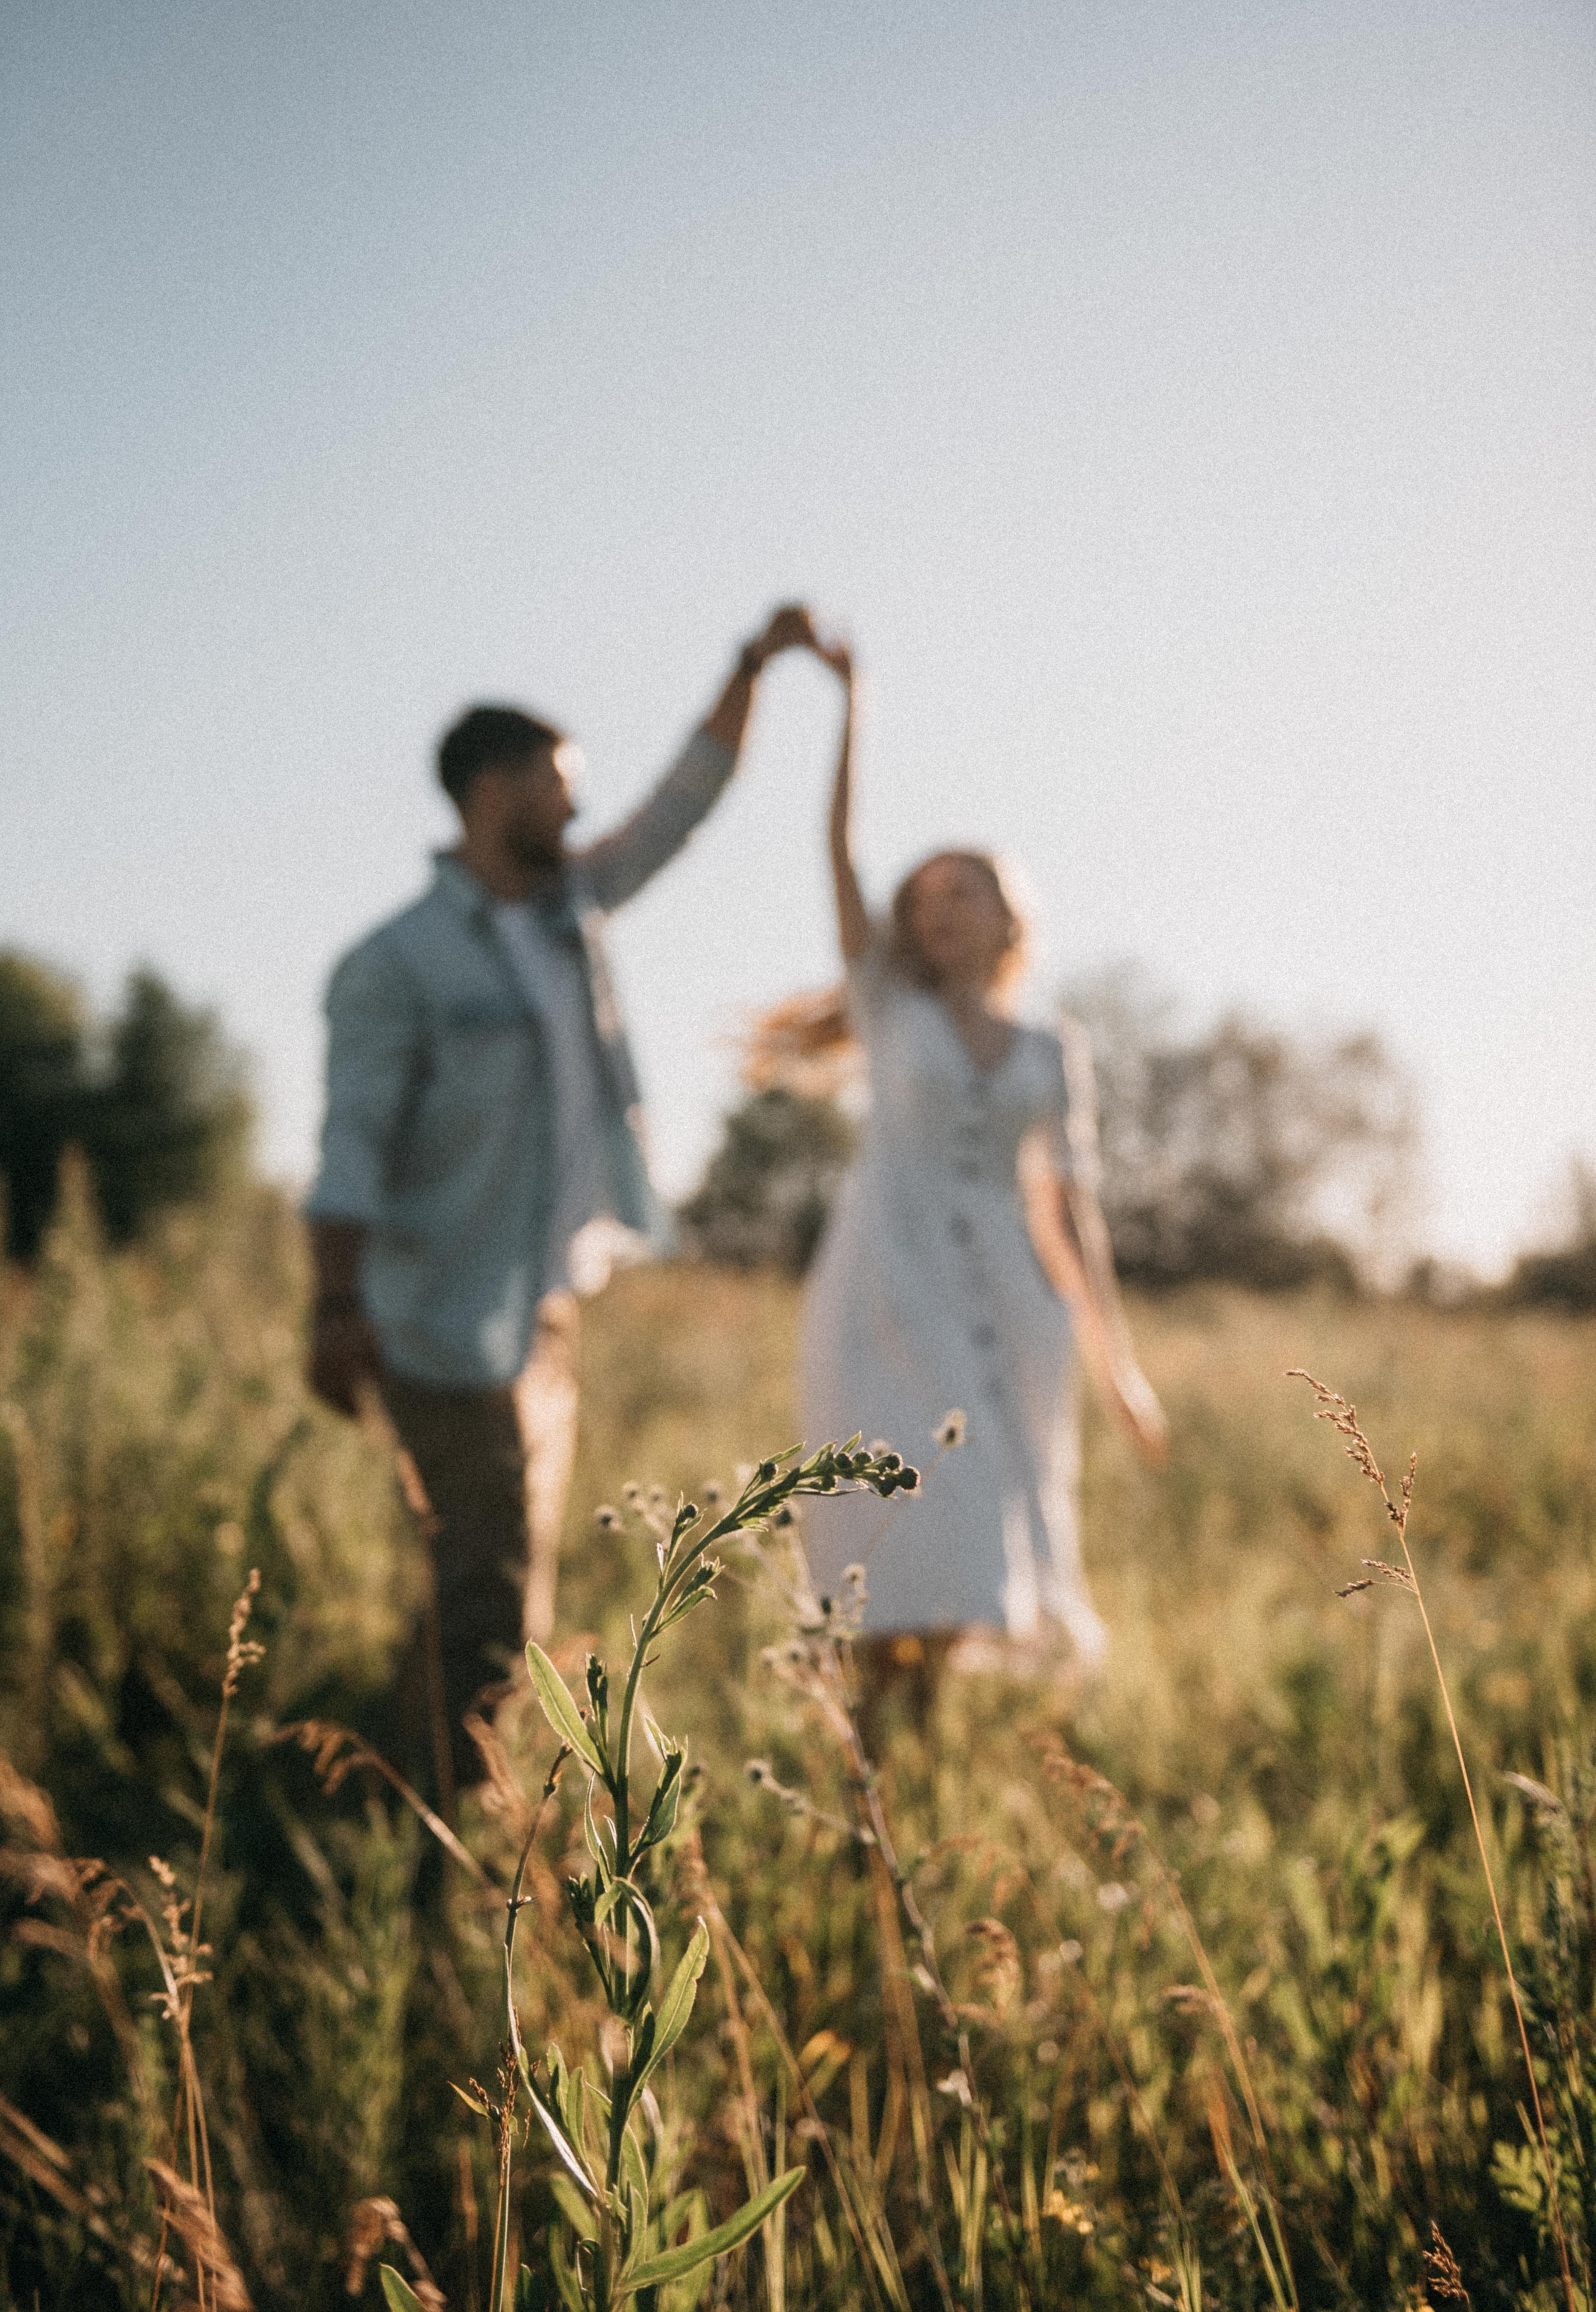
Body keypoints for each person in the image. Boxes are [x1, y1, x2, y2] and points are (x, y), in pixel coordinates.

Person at [305, 604, 820, 1787]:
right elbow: (349, 1147)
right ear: (494, 787)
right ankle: (448, 1821)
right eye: (559, 782)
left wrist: (749, 665)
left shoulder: (569, 915)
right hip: (431, 1312)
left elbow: (683, 807)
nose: (579, 808)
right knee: (490, 1577)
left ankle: (383, 1775)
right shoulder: (397, 963)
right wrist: (336, 1308)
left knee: (500, 1568)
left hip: (542, 1306)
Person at [759, 645, 1166, 1733]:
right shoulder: (891, 1007)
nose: (937, 911)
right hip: (886, 1284)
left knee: (987, 1512)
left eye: (961, 892)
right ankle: (879, 1732)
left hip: (1009, 1304)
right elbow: (838, 851)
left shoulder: (1053, 1045)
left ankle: (913, 1730)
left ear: (1007, 913)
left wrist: (1116, 1363)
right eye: (923, 898)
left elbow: (1072, 1212)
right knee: (897, 1503)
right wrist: (855, 704)